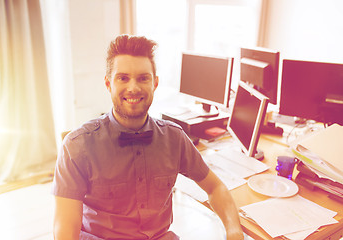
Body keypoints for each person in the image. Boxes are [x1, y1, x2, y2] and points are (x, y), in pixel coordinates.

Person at [52, 34, 244, 240]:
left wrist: (234, 231)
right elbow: (65, 231)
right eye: (123, 78)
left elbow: (215, 187)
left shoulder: (175, 138)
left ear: (155, 83)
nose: (133, 87)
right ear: (108, 84)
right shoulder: (77, 146)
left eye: (143, 78)